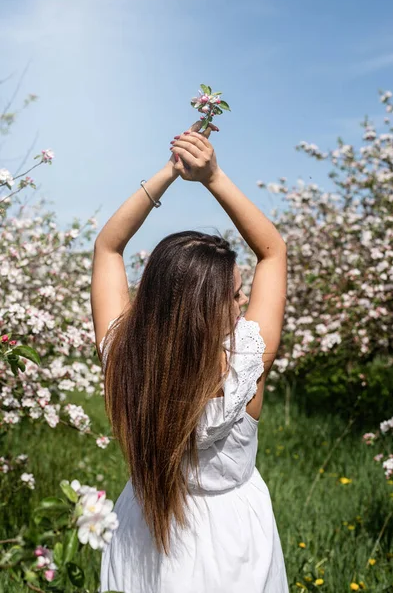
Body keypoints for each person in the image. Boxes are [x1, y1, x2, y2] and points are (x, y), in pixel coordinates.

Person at [91, 125, 289, 592]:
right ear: (208, 310)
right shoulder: (246, 367)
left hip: (145, 533)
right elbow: (273, 251)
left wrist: (168, 172)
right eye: (236, 296)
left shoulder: (126, 357)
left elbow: (107, 247)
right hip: (233, 538)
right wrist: (212, 175)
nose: (242, 305)